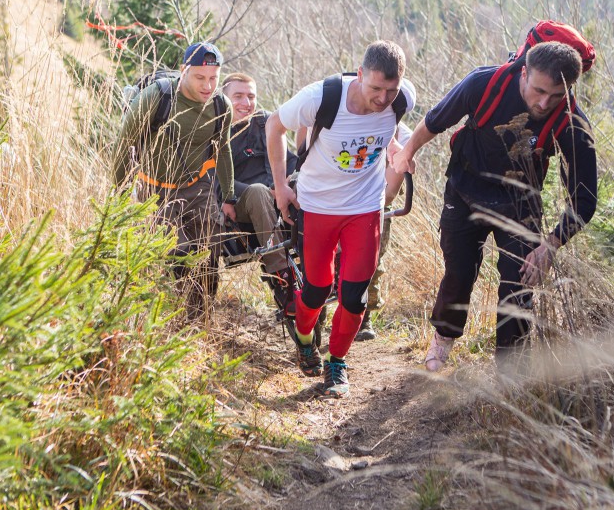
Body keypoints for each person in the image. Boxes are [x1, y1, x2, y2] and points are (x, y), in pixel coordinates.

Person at [392, 38, 597, 371]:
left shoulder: (572, 121)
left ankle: (510, 372)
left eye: (556, 95)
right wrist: (406, 153)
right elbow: (435, 121)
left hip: (520, 204)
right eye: (538, 90)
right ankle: (443, 340)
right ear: (524, 71)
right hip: (465, 187)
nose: (544, 103)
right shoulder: (485, 84)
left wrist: (550, 245)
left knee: (519, 285)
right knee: (458, 273)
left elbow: (585, 199)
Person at [266, 41, 416, 398]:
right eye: (375, 88)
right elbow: (274, 126)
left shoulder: (402, 98)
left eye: (390, 90)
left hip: (365, 207)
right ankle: (304, 340)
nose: (383, 99)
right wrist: (280, 187)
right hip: (318, 207)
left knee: (354, 297)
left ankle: (336, 363)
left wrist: (394, 150)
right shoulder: (322, 97)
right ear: (359, 74)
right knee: (317, 288)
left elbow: (389, 128)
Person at [112, 41, 236, 314]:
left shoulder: (220, 105)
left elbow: (223, 149)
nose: (207, 86)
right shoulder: (158, 97)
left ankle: (199, 319)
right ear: (184, 71)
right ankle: (174, 314)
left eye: (214, 79)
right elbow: (124, 143)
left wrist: (228, 197)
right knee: (177, 251)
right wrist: (118, 194)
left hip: (198, 186)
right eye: (200, 78)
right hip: (155, 190)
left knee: (210, 250)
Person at [221, 72, 298, 310]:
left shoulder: (266, 122)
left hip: (277, 194)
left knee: (304, 181)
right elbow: (213, 176)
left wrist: (286, 182)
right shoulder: (215, 130)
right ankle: (282, 277)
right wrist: (227, 197)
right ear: (224, 99)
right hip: (242, 201)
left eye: (251, 96)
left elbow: (291, 162)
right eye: (239, 96)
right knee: (257, 191)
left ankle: (323, 258)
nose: (246, 103)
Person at [356, 119, 413, 341]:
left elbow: (389, 193)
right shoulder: (338, 115)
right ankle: (318, 318)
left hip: (376, 201)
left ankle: (364, 316)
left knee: (372, 260)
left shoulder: (404, 136)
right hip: (334, 195)